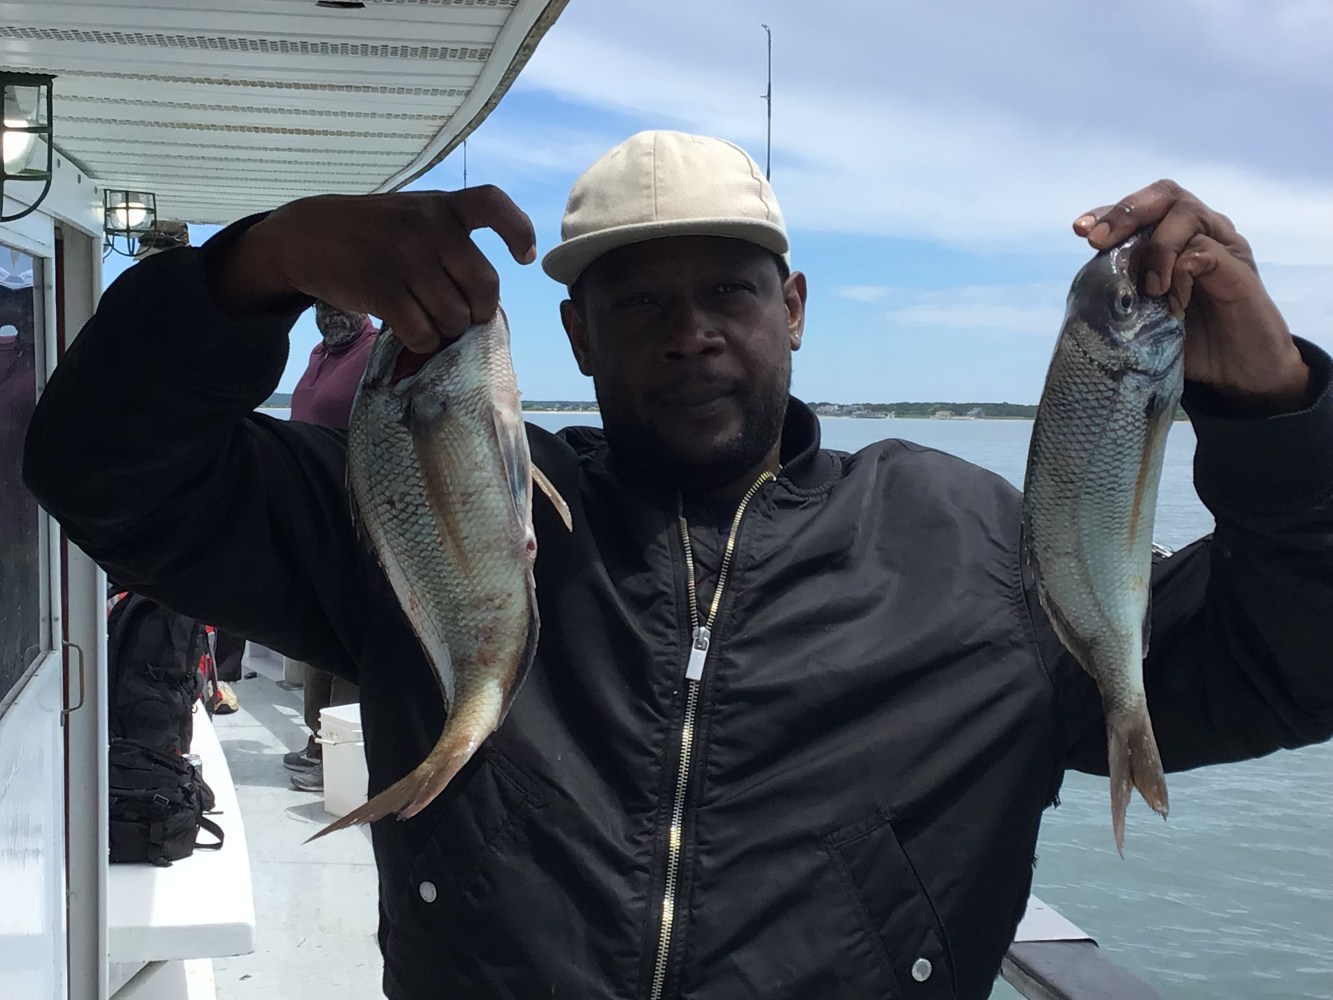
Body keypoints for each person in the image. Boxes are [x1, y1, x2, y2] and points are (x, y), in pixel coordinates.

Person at [23, 130, 1333, 1000]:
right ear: (577, 337)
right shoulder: (450, 503)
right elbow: (104, 473)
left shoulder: (980, 549)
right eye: (638, 303)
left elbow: (1293, 660)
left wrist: (1273, 407)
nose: (689, 334)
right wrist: (251, 270)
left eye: (729, 292)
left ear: (797, 310)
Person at [282, 299, 376, 790]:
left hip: (355, 521)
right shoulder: (319, 353)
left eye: (341, 301)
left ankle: (342, 752)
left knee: (347, 639)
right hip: (310, 517)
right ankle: (317, 738)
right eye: (320, 304)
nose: (329, 313)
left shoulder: (378, 351)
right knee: (315, 633)